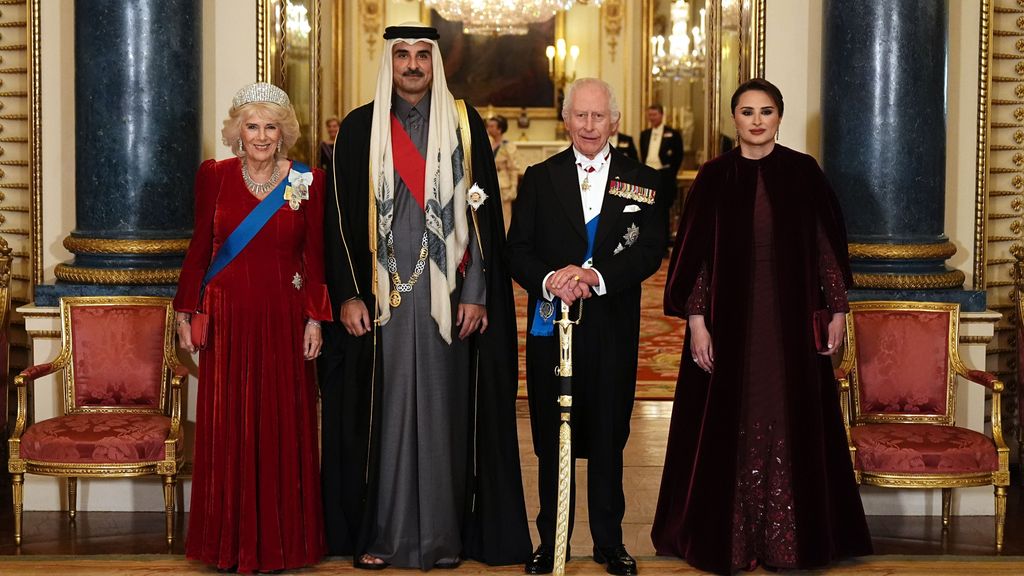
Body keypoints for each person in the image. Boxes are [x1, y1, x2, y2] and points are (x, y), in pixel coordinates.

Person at [318, 22, 531, 570]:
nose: (412, 65)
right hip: (381, 301)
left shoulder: (462, 123)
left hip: (450, 298)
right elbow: (337, 222)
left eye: (422, 56)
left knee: (444, 415)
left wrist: (479, 293)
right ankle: (384, 536)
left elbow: (482, 217)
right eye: (402, 55)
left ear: (436, 62)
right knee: (382, 421)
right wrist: (347, 295)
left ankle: (442, 539)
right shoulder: (360, 129)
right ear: (388, 61)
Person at [651, 78, 872, 574]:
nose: (756, 120)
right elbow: (697, 261)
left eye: (765, 111)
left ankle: (790, 544)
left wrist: (837, 311)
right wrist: (698, 324)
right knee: (733, 416)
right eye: (747, 111)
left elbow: (825, 248)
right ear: (734, 119)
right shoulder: (712, 177)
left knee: (788, 413)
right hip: (729, 323)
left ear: (778, 117)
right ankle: (730, 540)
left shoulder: (803, 172)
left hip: (790, 322)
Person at [506, 78, 670, 576]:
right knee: (552, 437)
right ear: (566, 118)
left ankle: (609, 541)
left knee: (608, 435)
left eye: (599, 116)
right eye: (581, 115)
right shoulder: (539, 176)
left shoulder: (640, 180)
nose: (590, 125)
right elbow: (517, 250)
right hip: (552, 328)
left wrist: (596, 277)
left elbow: (649, 250)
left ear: (615, 121)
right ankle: (550, 541)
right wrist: (552, 278)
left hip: (612, 326)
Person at [174, 82, 330, 574]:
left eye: (271, 126)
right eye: (252, 125)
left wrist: (314, 318)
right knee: (228, 426)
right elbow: (200, 246)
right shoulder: (215, 176)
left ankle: (285, 544)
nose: (262, 136)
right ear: (237, 131)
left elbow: (315, 257)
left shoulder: (308, 180)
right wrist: (185, 310)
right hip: (227, 319)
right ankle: (227, 543)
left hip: (284, 318)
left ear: (284, 132)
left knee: (284, 424)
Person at [639, 103, 683, 202]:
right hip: (648, 174)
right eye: (650, 115)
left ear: (662, 115)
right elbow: (643, 155)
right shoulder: (644, 134)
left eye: (654, 115)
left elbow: (679, 155)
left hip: (664, 175)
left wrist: (671, 174)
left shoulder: (673, 134)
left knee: (664, 205)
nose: (652, 118)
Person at [486, 114, 520, 232]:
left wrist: (513, 187)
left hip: (503, 185)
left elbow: (513, 168)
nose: (489, 128)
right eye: (488, 126)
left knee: (505, 217)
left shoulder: (508, 146)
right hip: (489, 184)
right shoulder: (488, 144)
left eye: (492, 126)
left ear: (499, 129)